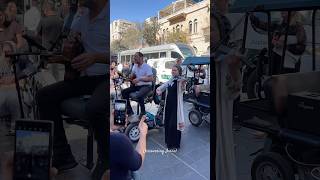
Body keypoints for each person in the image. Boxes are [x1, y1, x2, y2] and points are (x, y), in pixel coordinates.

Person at [35, 0, 108, 179]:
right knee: (44, 95)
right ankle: (62, 156)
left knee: (95, 107)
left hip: (108, 76)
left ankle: (106, 160)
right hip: (86, 78)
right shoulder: (80, 19)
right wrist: (65, 51)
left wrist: (96, 57)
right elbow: (68, 53)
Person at [110, 113, 148, 180]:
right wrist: (143, 133)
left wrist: (111, 128)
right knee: (135, 173)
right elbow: (137, 163)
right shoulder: (119, 140)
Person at [156, 65, 186, 149]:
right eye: (172, 70)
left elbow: (183, 89)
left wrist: (183, 84)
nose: (173, 71)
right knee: (168, 123)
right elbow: (165, 85)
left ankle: (175, 144)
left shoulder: (181, 80)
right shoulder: (171, 79)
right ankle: (169, 142)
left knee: (174, 125)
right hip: (168, 105)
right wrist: (159, 89)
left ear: (179, 71)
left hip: (176, 107)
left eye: (175, 70)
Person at [37, 0, 64, 81]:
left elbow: (37, 35)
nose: (43, 12)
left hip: (45, 51)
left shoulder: (43, 20)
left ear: (46, 9)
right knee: (56, 73)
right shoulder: (61, 20)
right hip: (57, 52)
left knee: (45, 74)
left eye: (43, 10)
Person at [121, 52, 154, 116]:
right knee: (124, 92)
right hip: (137, 86)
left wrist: (139, 79)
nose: (134, 58)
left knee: (139, 95)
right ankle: (129, 110)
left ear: (141, 58)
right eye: (134, 57)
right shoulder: (135, 66)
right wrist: (130, 77)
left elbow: (151, 78)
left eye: (136, 56)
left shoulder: (147, 67)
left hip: (146, 86)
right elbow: (132, 75)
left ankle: (143, 112)